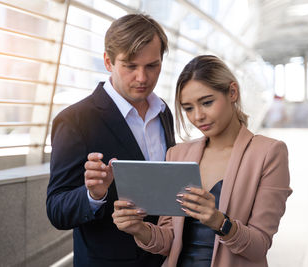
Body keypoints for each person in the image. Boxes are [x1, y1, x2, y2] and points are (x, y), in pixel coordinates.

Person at [112, 55, 292, 267]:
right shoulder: (178, 155)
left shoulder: (268, 153)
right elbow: (169, 241)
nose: (198, 116)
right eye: (188, 108)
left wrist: (218, 221)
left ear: (232, 92)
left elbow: (259, 246)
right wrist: (139, 229)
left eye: (207, 103)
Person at [46, 14, 175, 267]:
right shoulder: (74, 120)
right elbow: (56, 210)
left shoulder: (163, 112)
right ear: (108, 61)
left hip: (165, 258)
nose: (142, 78)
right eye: (130, 66)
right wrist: (93, 194)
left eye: (152, 66)